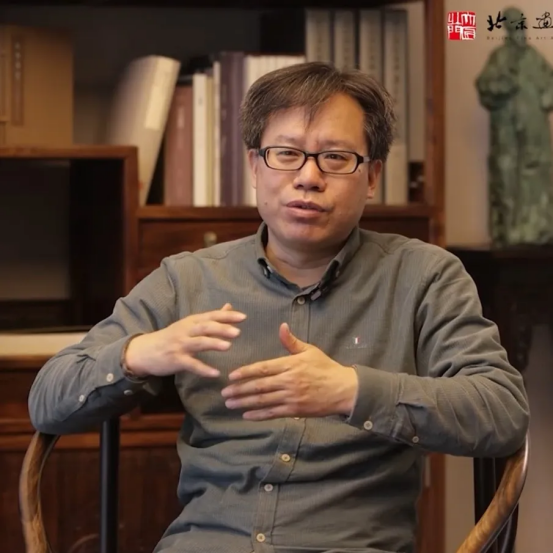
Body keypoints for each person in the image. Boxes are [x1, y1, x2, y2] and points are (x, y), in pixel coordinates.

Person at [28, 62, 529, 553]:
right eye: (286, 154)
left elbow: (502, 411)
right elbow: (47, 398)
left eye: (335, 157)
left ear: (372, 175)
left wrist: (351, 391)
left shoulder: (424, 276)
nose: (308, 177)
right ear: (254, 166)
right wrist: (138, 354)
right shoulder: (188, 281)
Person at [476, 5, 553, 246]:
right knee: (506, 175)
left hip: (534, 132)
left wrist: (544, 98)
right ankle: (509, 229)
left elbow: (550, 86)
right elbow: (485, 86)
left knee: (536, 176)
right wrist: (506, 84)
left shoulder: (534, 58)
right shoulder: (499, 58)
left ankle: (537, 228)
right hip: (507, 131)